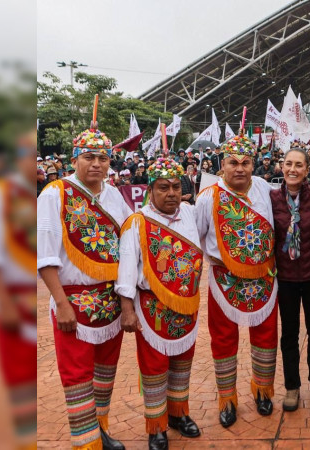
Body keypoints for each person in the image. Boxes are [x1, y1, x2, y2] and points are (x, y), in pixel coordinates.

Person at [37, 123, 133, 450]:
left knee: (105, 371)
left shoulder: (113, 195)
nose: (96, 164)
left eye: (103, 158)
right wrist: (61, 303)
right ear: (75, 159)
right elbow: (46, 254)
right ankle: (86, 442)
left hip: (110, 298)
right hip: (74, 301)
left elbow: (127, 244)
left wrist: (126, 300)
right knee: (77, 376)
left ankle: (100, 430)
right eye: (89, 156)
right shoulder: (55, 193)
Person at [116, 157, 202, 450]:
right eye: (163, 188)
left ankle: (179, 414)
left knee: (182, 363)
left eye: (176, 187)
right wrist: (127, 310)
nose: (171, 194)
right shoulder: (137, 223)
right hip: (152, 309)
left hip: (187, 305)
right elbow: (126, 270)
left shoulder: (190, 214)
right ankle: (157, 427)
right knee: (154, 368)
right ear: (150, 190)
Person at [195, 133, 278, 427]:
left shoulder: (265, 188)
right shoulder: (208, 197)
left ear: (253, 164)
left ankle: (263, 391)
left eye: (245, 162)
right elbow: (197, 239)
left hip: (264, 278)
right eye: (233, 162)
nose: (240, 168)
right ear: (222, 165)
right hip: (224, 280)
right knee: (224, 338)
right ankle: (227, 398)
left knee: (266, 337)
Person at [0, 131, 39, 449]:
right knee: (21, 384)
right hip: (13, 301)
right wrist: (3, 301)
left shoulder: (36, 195)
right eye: (32, 154)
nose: (36, 162)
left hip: (36, 300)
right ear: (20, 156)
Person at [269, 148, 310, 412]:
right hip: (287, 278)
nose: (293, 169)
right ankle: (291, 386)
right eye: (288, 164)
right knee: (289, 333)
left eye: (299, 165)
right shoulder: (270, 198)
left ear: (307, 169)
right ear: (282, 166)